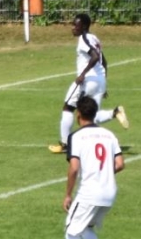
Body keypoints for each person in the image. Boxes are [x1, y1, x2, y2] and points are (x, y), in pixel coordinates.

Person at [63, 95, 125, 239]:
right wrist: (104, 173)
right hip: (109, 193)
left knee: (71, 234)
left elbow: (74, 168)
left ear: (78, 115)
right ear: (95, 113)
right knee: (87, 228)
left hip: (90, 193)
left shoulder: (76, 137)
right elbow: (120, 164)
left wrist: (68, 194)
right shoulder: (109, 135)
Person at [48, 13, 129, 154]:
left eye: (76, 25)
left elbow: (95, 57)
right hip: (99, 80)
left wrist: (83, 74)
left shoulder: (84, 39)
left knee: (68, 108)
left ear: (84, 26)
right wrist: (103, 84)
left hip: (88, 80)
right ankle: (115, 112)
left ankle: (65, 144)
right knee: (92, 114)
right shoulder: (94, 38)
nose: (73, 28)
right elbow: (104, 62)